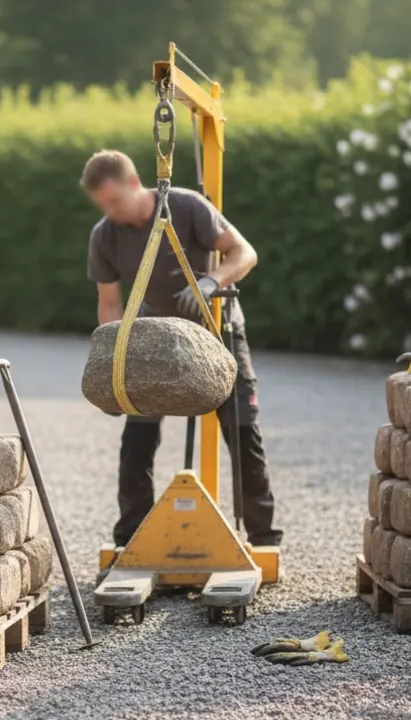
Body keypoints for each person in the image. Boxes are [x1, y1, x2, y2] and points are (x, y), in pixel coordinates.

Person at [81, 149, 282, 548]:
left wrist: (211, 282)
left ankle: (263, 539)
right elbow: (109, 305)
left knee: (242, 429)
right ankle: (130, 539)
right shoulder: (104, 235)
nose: (112, 212)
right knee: (137, 435)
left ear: (135, 183)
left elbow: (245, 252)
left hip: (217, 331)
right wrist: (112, 367)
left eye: (115, 201)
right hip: (156, 343)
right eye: (103, 206)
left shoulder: (187, 207)